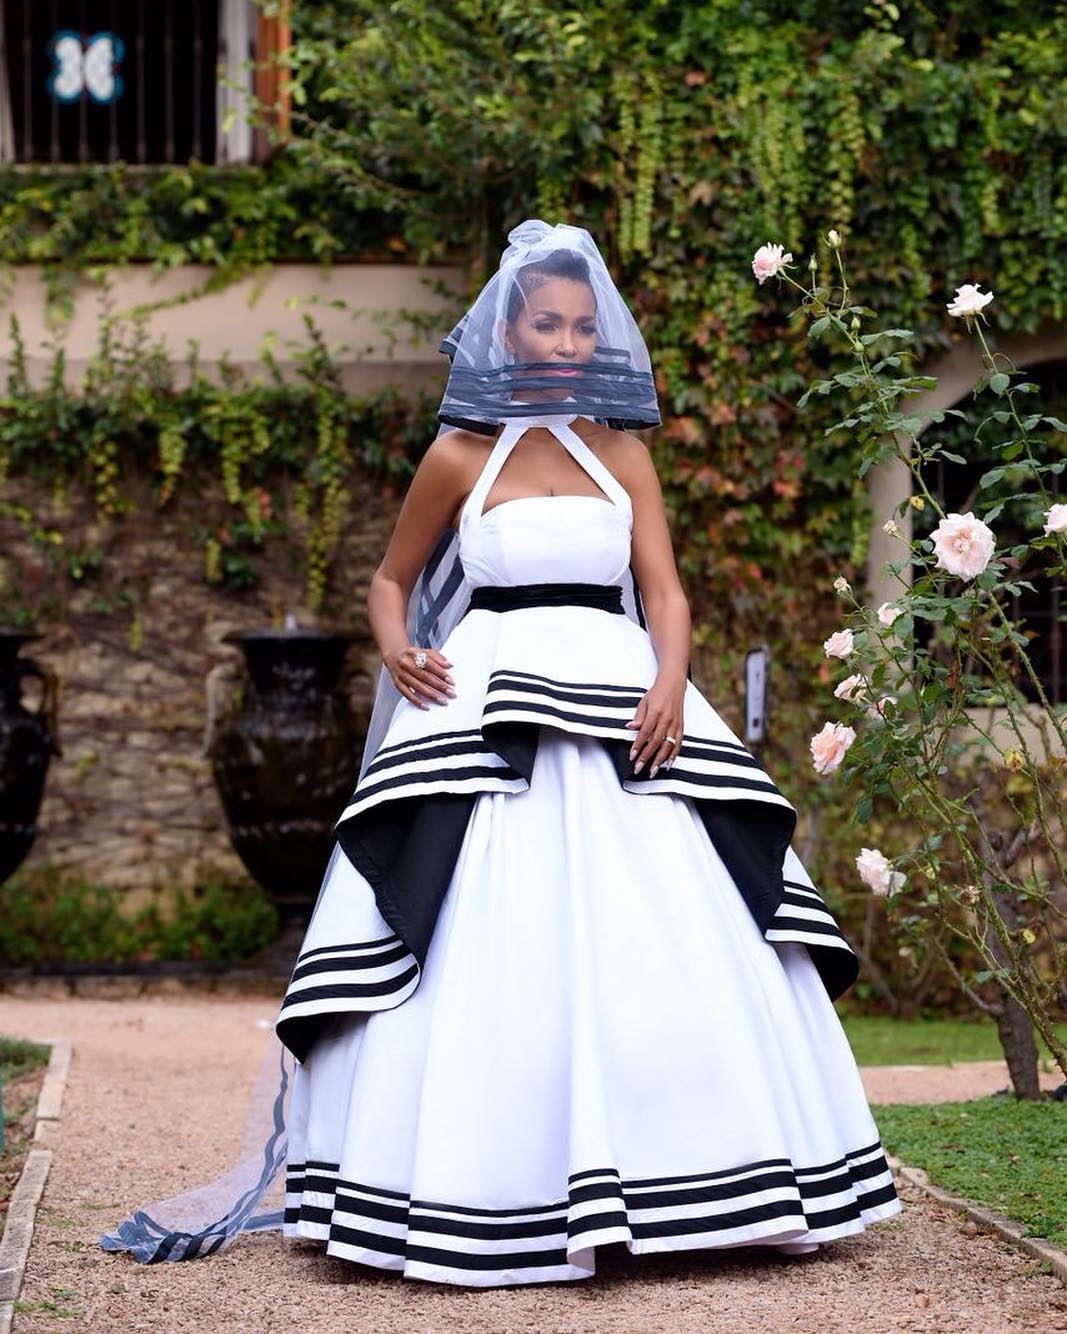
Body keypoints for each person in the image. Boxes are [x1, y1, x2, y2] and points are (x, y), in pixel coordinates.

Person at [102, 219, 901, 1287]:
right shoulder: (459, 455)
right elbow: (391, 580)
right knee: (466, 926)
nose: (566, 343)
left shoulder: (623, 452)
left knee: (678, 925)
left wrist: (669, 681)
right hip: (481, 696)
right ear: (506, 330)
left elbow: (663, 591)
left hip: (623, 692)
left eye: (581, 326)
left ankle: (705, 1176)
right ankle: (459, 1181)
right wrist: (399, 649)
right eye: (546, 324)